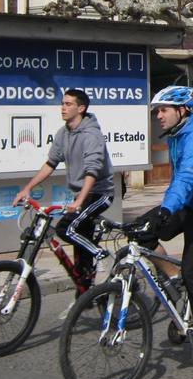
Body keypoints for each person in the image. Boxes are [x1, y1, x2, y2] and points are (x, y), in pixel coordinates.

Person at [129, 85, 193, 367]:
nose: (158, 115)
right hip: (186, 206)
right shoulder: (176, 135)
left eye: (163, 110)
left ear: (181, 110)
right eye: (156, 111)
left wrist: (166, 209)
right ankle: (174, 279)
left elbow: (187, 178)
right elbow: (179, 186)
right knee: (141, 232)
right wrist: (158, 213)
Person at [15, 88, 117, 282]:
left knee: (66, 228)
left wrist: (79, 200)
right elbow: (50, 164)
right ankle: (88, 294)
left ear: (81, 108)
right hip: (81, 195)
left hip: (99, 194)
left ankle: (103, 255)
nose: (63, 108)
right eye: (62, 103)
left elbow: (92, 171)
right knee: (81, 258)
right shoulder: (64, 133)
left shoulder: (91, 135)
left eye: (68, 104)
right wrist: (27, 188)